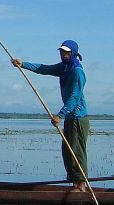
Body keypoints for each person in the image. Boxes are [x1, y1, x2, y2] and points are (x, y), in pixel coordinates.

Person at [12, 40, 90, 191]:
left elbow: (74, 97)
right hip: (70, 117)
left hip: (78, 118)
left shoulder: (77, 71)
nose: (64, 54)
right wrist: (23, 64)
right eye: (62, 52)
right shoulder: (64, 68)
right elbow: (44, 69)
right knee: (67, 151)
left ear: (73, 53)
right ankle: (75, 183)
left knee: (76, 151)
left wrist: (60, 115)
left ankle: (81, 186)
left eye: (67, 52)